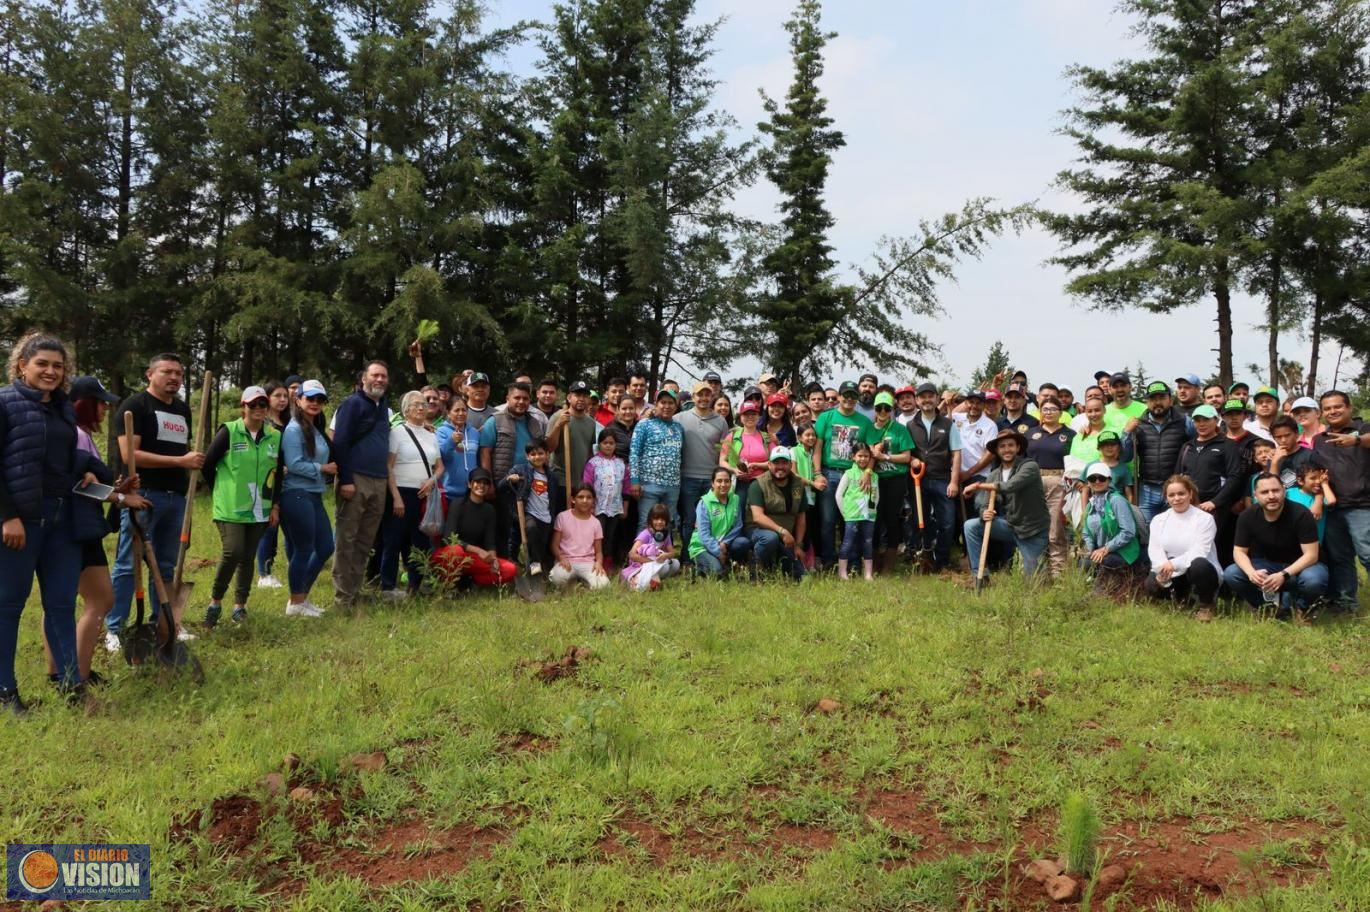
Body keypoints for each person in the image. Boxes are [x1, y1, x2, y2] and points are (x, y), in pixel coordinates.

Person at [1, 336, 117, 712]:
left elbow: (73, 463)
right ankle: (6, 693)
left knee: (62, 604)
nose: (51, 371)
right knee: (8, 607)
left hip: (62, 521)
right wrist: (8, 516)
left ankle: (71, 687)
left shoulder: (64, 410)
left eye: (58, 365)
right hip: (20, 523)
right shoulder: (5, 403)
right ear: (22, 365)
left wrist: (108, 481)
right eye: (42, 364)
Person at [51, 376, 148, 686]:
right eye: (101, 402)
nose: (106, 408)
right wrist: (121, 497)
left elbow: (88, 484)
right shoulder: (75, 436)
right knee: (101, 600)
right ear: (83, 404)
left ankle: (58, 672)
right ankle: (76, 675)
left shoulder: (77, 435)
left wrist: (114, 486)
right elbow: (78, 486)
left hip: (74, 525)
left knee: (60, 601)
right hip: (75, 527)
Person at [108, 352, 202, 651]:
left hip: (176, 498)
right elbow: (129, 456)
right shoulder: (135, 406)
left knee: (165, 564)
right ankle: (114, 628)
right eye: (167, 372)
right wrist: (180, 461)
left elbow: (184, 452)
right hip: (144, 496)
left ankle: (159, 621)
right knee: (128, 563)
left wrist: (188, 463)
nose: (174, 378)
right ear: (150, 374)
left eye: (179, 373)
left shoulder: (183, 410)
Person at [200, 386, 282, 627]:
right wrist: (221, 488)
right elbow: (208, 464)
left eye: (262, 405)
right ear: (243, 407)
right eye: (252, 404)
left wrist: (275, 506)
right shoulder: (229, 431)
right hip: (231, 507)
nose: (258, 409)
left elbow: (278, 475)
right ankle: (215, 602)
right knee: (232, 551)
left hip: (260, 508)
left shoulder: (275, 436)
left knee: (247, 557)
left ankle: (240, 606)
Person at [331, 360, 391, 612]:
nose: (379, 380)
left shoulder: (383, 406)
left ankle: (354, 591)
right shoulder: (352, 405)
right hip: (355, 478)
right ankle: (342, 598)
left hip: (379, 480)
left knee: (366, 540)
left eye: (384, 376)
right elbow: (340, 443)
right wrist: (345, 479)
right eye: (375, 375)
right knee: (347, 538)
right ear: (363, 378)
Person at [1223, 473, 1326, 619]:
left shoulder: (1301, 514)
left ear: (1284, 490)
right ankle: (1266, 609)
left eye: (1275, 490)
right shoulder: (1247, 516)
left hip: (1303, 567)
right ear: (1255, 495)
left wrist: (1284, 575)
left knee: (1313, 580)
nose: (1271, 496)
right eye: (1264, 492)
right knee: (1232, 573)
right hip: (1269, 565)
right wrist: (1251, 573)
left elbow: (1311, 555)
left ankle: (1303, 609)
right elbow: (1239, 552)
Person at [278, 380, 335, 617]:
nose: (315, 403)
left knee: (325, 547)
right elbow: (293, 464)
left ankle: (301, 598)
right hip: (296, 493)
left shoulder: (314, 428)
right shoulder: (293, 430)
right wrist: (323, 469)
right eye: (310, 398)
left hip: (313, 494)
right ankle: (296, 602)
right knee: (304, 549)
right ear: (298, 400)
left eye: (319, 399)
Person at [962, 428, 1050, 581]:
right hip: (1010, 526)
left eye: (1010, 445)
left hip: (1031, 530)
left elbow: (1010, 486)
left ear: (1017, 448)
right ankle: (980, 575)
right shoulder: (994, 474)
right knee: (970, 526)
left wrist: (977, 486)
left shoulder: (1029, 466)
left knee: (1034, 583)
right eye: (1002, 446)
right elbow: (983, 502)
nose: (1006, 449)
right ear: (996, 450)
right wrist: (984, 513)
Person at [1311, 390, 1370, 613]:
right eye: (1327, 408)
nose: (1333, 411)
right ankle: (1347, 604)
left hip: (1362, 505)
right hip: (1333, 508)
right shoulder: (1319, 439)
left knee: (1368, 555)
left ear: (1349, 408)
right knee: (1340, 558)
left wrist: (1355, 440)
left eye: (1338, 406)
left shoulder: (1363, 429)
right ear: (1322, 412)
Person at [382, 390, 443, 599]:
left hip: (423, 494)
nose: (421, 407)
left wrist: (431, 481)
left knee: (422, 541)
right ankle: (387, 586)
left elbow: (440, 467)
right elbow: (388, 466)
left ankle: (417, 585)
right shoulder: (397, 432)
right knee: (394, 540)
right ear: (405, 409)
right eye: (416, 404)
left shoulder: (431, 434)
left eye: (423, 404)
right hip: (401, 493)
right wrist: (396, 496)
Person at [813, 381, 874, 569]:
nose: (849, 399)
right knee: (828, 520)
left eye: (853, 395)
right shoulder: (826, 417)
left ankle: (853, 563)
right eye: (845, 395)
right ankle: (829, 561)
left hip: (854, 475)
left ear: (857, 398)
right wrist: (817, 473)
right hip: (829, 473)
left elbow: (871, 451)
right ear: (839, 397)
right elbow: (817, 447)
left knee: (852, 519)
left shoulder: (864, 422)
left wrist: (867, 472)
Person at [1175, 404, 1245, 565]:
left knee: (1215, 546)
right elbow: (1177, 476)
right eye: (1197, 420)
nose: (1201, 424)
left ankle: (1220, 585)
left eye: (1206, 419)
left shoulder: (1228, 445)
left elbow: (1235, 477)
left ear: (1216, 420)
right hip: (1189, 505)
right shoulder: (1187, 446)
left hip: (1216, 507)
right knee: (1188, 544)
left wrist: (1215, 502)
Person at [1143, 474, 1221, 619]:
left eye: (1181, 493)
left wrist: (1173, 563)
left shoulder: (1205, 519)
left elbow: (1200, 551)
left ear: (1190, 494)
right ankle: (1182, 599)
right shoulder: (1159, 520)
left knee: (1199, 565)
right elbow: (1155, 549)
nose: (1176, 498)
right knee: (1151, 585)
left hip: (1200, 570)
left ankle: (1207, 605)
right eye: (1171, 495)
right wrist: (1162, 568)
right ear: (1166, 498)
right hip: (1172, 569)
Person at [480, 382, 540, 559]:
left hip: (529, 483)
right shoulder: (495, 421)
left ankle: (520, 561)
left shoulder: (534, 423)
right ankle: (504, 564)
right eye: (517, 398)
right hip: (504, 483)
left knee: (526, 526)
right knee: (503, 527)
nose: (521, 402)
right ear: (508, 399)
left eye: (525, 398)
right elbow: (485, 452)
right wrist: (489, 482)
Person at [431, 468, 516, 588]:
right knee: (457, 551)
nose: (482, 486)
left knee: (510, 569)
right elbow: (448, 538)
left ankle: (469, 582)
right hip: (449, 555)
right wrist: (478, 550)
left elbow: (489, 542)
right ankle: (447, 584)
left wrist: (493, 559)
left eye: (485, 483)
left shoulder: (489, 510)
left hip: (472, 559)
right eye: (478, 482)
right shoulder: (457, 504)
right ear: (470, 484)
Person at [1024, 398, 1074, 577]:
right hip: (1033, 482)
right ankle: (1035, 571)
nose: (1049, 412)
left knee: (1055, 529)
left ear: (1061, 412)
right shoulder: (1030, 434)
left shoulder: (1070, 434)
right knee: (1033, 528)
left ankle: (1058, 574)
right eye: (1045, 409)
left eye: (1053, 409)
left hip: (1058, 482)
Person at [866, 391, 915, 573]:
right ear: (875, 409)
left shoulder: (900, 429)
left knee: (892, 519)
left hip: (895, 479)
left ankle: (889, 564)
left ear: (892, 409)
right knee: (875, 519)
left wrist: (885, 456)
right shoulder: (869, 429)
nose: (883, 411)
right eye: (880, 408)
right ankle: (874, 561)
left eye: (887, 408)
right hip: (875, 480)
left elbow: (907, 457)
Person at [676, 381, 727, 551]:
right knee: (689, 519)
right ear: (693, 396)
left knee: (710, 520)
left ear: (712, 396)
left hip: (710, 480)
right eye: (700, 394)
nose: (704, 398)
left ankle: (707, 554)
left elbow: (724, 452)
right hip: (687, 477)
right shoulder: (679, 419)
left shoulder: (720, 422)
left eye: (707, 394)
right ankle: (687, 555)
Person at [1134, 381, 1194, 522]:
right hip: (1147, 488)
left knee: (1176, 528)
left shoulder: (1185, 422)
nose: (1157, 402)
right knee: (1147, 531)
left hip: (1175, 488)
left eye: (1161, 398)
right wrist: (1126, 433)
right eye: (1153, 399)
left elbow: (1197, 448)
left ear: (1170, 399)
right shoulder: (1138, 425)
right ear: (1147, 402)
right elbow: (1125, 456)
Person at [1080, 461, 1145, 589]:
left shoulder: (1117, 500)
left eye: (1102, 478)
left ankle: (1099, 595)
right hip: (1102, 551)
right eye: (1093, 478)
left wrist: (1105, 549)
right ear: (1088, 482)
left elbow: (1128, 531)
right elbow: (1086, 532)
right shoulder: (1090, 504)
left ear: (1109, 480)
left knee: (1106, 562)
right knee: (1084, 563)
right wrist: (1090, 550)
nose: (1097, 481)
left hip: (1123, 551)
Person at [745, 446, 808, 580]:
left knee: (801, 576)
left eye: (784, 463)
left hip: (785, 537)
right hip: (758, 531)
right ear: (769, 464)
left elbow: (801, 517)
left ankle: (772, 569)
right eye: (776, 463)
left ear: (790, 465)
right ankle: (755, 571)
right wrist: (782, 531)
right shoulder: (757, 484)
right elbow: (758, 517)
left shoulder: (798, 484)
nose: (780, 467)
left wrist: (798, 545)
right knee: (770, 538)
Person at [255, 380, 293, 590]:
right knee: (270, 527)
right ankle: (264, 573)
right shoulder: (264, 423)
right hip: (269, 481)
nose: (282, 400)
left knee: (289, 527)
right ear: (267, 397)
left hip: (290, 482)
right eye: (277, 395)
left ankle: (291, 564)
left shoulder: (289, 422)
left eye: (285, 396)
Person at [629, 388, 684, 532]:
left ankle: (664, 554)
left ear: (676, 405)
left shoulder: (678, 427)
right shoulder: (644, 424)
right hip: (649, 484)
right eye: (663, 402)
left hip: (672, 485)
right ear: (656, 404)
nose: (666, 406)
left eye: (670, 403)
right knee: (645, 523)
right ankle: (640, 554)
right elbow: (634, 453)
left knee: (669, 524)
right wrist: (635, 481)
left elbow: (680, 454)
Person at [689, 466, 753, 578]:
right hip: (702, 546)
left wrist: (725, 543)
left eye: (727, 481)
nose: (723, 484)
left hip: (723, 543)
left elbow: (738, 526)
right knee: (718, 572)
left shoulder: (735, 499)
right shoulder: (704, 503)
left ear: (731, 483)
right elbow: (703, 534)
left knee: (743, 542)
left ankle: (730, 564)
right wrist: (719, 552)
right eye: (719, 481)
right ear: (712, 483)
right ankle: (699, 567)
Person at [549, 483, 609, 589]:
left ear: (593, 500)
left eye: (589, 497)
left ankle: (583, 583)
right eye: (581, 497)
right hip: (567, 561)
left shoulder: (596, 523)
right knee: (557, 579)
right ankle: (576, 583)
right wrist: (561, 558)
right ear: (573, 499)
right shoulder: (562, 517)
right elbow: (554, 545)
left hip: (588, 563)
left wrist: (599, 563)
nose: (585, 500)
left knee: (604, 585)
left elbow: (599, 551)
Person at [583, 428, 629, 564]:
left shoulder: (621, 464)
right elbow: (587, 485)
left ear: (615, 445)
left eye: (611, 443)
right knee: (598, 535)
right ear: (599, 445)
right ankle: (594, 561)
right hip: (597, 508)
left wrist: (625, 508)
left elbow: (626, 488)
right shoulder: (593, 463)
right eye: (605, 443)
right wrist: (589, 506)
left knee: (610, 535)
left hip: (615, 507)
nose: (608, 445)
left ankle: (607, 563)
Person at [836, 443, 878, 580]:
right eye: (860, 456)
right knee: (848, 542)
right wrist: (845, 513)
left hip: (869, 515)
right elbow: (838, 495)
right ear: (853, 457)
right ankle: (842, 573)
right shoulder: (848, 474)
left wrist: (873, 509)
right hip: (851, 515)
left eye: (866, 456)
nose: (863, 459)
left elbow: (876, 495)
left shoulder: (874, 476)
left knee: (867, 542)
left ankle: (868, 574)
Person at [547, 380, 597, 493]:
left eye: (585, 396)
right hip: (560, 480)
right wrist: (558, 426)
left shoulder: (591, 422)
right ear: (569, 397)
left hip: (581, 482)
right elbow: (549, 448)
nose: (581, 399)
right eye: (577, 395)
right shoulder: (558, 417)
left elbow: (590, 452)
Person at [622, 503, 681, 591]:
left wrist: (666, 555)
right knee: (665, 567)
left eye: (663, 519)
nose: (660, 522)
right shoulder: (646, 534)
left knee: (676, 564)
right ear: (650, 520)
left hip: (658, 562)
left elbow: (672, 553)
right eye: (656, 519)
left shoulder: (666, 535)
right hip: (643, 563)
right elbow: (632, 554)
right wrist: (651, 561)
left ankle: (653, 578)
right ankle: (643, 579)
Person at [720, 400, 770, 504]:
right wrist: (734, 470)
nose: (750, 417)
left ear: (759, 416)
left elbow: (774, 463)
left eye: (753, 414)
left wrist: (757, 465)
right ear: (741, 417)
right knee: (738, 513)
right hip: (739, 483)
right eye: (746, 414)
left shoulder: (766, 437)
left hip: (762, 482)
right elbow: (722, 461)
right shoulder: (732, 436)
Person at [436, 394, 479, 514]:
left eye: (464, 410)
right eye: (456, 410)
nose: (461, 413)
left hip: (471, 492)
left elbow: (477, 459)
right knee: (451, 530)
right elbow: (441, 456)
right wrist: (452, 441)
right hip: (449, 492)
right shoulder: (441, 431)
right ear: (448, 412)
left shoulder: (474, 433)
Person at [1286, 462, 1335, 543]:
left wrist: (1325, 484)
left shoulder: (1322, 495)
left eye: (1320, 478)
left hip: (1314, 544)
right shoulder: (1289, 493)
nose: (1318, 481)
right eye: (1313, 478)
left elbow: (1331, 501)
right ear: (1300, 481)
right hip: (1291, 542)